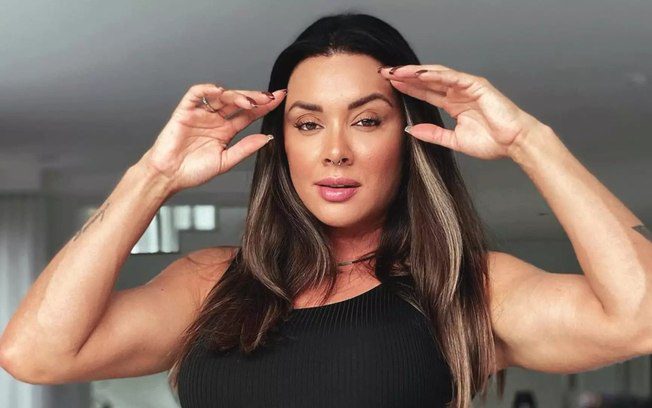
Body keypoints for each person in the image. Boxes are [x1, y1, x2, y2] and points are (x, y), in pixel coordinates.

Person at [1, 11, 651, 408]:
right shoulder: (210, 284)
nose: (335, 150)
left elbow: (639, 320)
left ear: (409, 135)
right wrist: (153, 177)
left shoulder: (465, 287)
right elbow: (35, 355)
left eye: (366, 120)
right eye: (308, 124)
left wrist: (530, 142)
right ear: (283, 143)